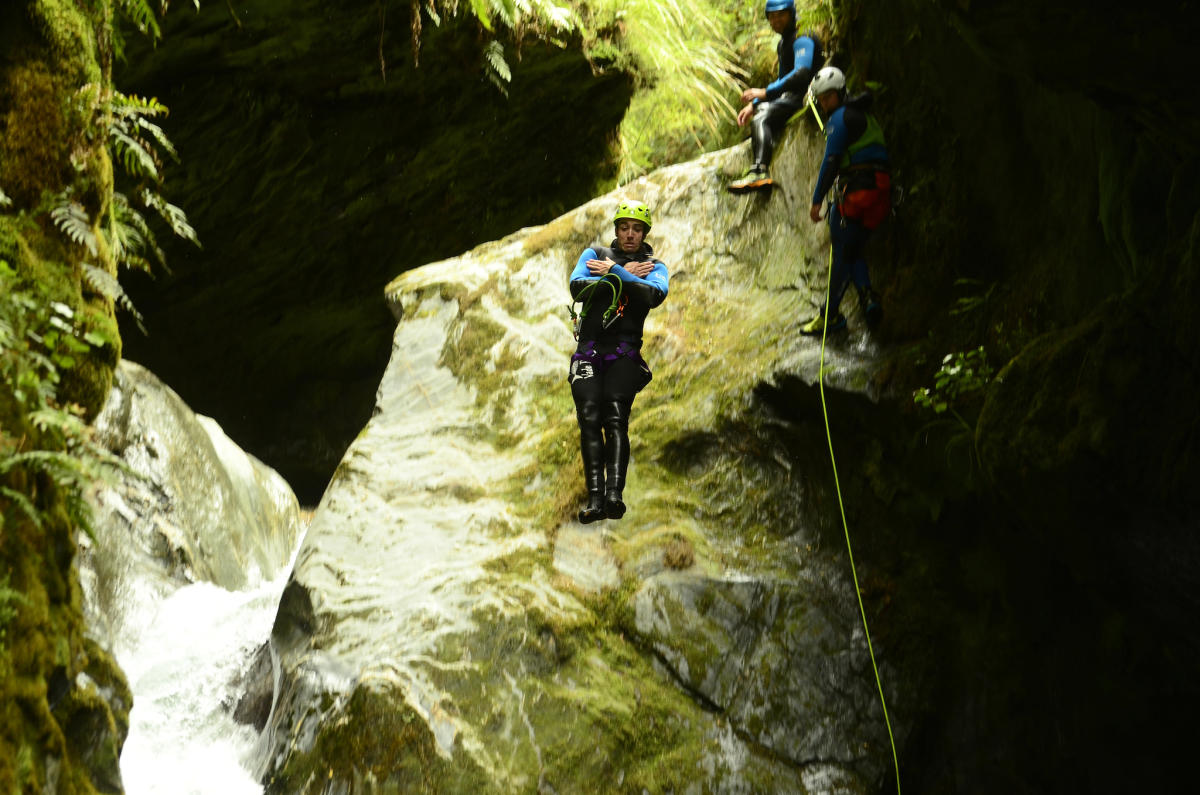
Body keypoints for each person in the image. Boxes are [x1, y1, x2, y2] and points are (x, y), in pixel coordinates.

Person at [567, 200, 669, 524]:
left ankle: (614, 496)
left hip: (625, 353)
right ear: (616, 229)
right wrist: (625, 278)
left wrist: (615, 273)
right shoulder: (593, 254)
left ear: (645, 233)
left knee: (614, 415)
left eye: (636, 229)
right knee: (588, 416)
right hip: (589, 349)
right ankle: (595, 499)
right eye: (624, 228)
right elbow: (577, 287)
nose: (629, 234)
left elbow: (652, 296)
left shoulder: (655, 266)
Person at [801, 65, 891, 335]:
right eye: (822, 98)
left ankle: (830, 315)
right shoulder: (863, 115)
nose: (826, 102)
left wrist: (817, 200)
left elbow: (831, 162)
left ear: (840, 92)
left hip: (859, 193)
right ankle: (868, 298)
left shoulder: (839, 119)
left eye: (829, 96)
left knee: (841, 247)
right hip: (881, 192)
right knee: (852, 248)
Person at [729, 0, 822, 193]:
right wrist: (754, 104)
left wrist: (764, 95)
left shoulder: (802, 36)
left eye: (780, 15)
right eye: (771, 17)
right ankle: (759, 172)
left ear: (791, 13)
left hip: (805, 96)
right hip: (790, 97)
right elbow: (782, 80)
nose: (775, 20)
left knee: (762, 117)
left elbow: (801, 73)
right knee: (760, 111)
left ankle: (760, 171)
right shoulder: (783, 43)